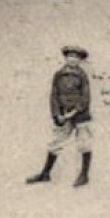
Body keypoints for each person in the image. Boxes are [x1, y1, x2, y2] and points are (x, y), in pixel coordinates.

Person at [26, 44, 93, 187]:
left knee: (84, 143)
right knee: (55, 143)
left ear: (80, 61)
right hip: (63, 115)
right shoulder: (59, 75)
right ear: (65, 58)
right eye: (70, 56)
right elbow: (54, 96)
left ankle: (84, 174)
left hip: (80, 115)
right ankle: (45, 173)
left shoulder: (82, 76)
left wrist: (73, 112)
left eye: (76, 57)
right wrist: (56, 114)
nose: (72, 60)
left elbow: (85, 98)